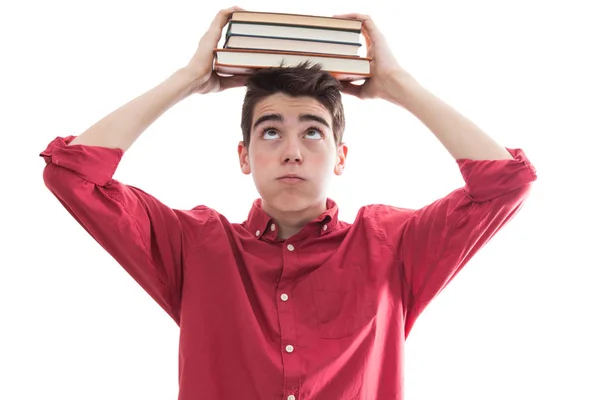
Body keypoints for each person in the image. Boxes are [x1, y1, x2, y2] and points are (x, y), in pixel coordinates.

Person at [39, 6, 537, 400]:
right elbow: (74, 175)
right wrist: (189, 79)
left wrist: (398, 85)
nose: (293, 151)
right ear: (244, 155)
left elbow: (506, 184)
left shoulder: (392, 244)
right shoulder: (194, 245)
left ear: (340, 156)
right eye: (271, 131)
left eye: (313, 132)